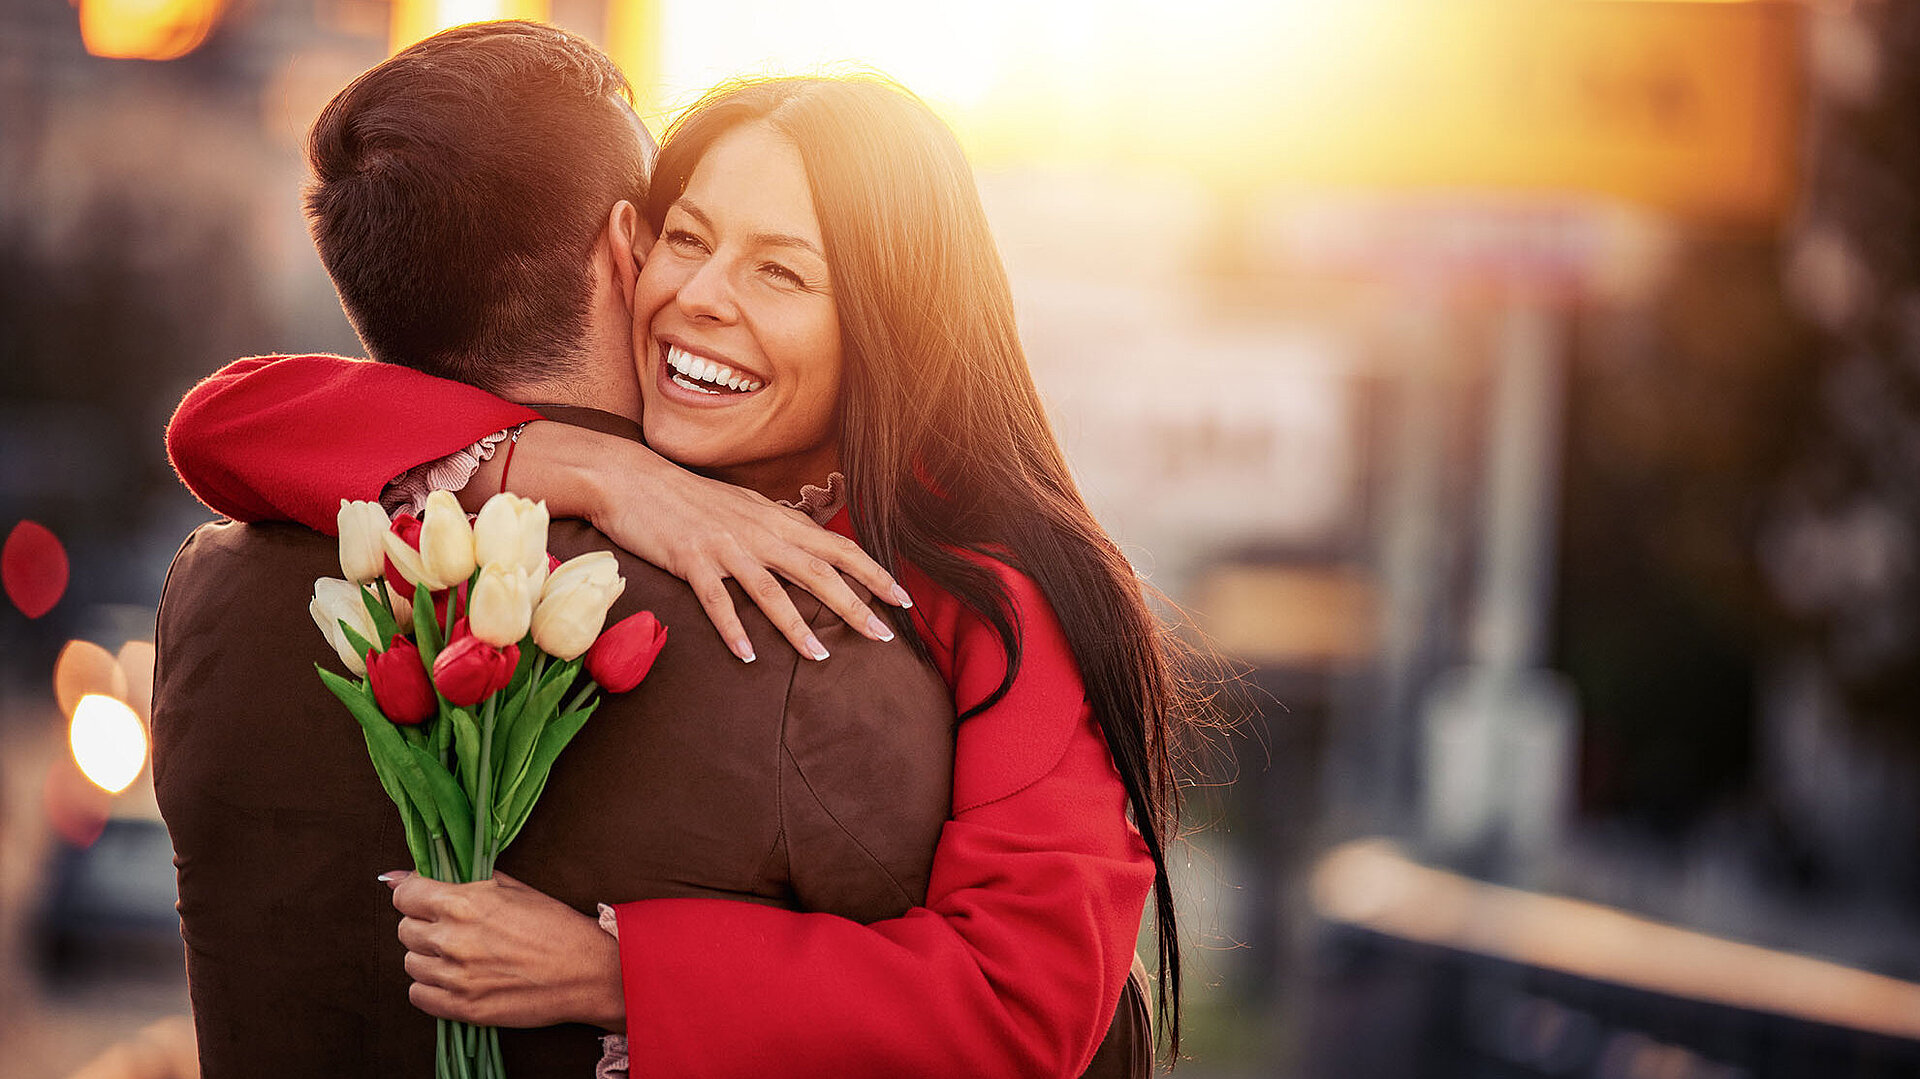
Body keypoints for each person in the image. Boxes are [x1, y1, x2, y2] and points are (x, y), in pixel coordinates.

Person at [166, 71, 1190, 1076]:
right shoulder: (641, 470)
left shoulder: (998, 590)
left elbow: (1029, 1001)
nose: (700, 298)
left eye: (779, 273)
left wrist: (619, 970)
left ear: (889, 318)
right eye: (688, 239)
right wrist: (589, 467)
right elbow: (225, 420)